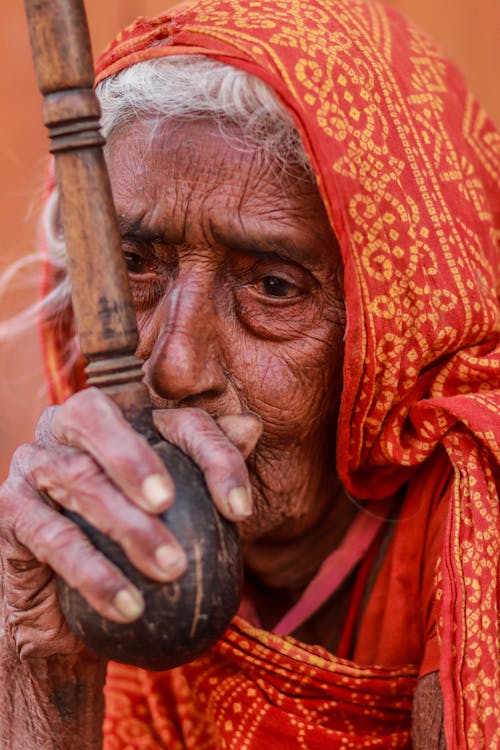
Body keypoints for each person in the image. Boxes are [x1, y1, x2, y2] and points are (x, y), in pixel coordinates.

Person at [1, 0, 499, 747]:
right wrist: (45, 678)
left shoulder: (477, 543)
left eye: (272, 286)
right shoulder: (65, 533)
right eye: (135, 266)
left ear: (399, 329)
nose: (175, 368)